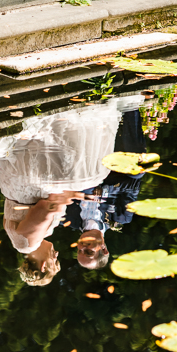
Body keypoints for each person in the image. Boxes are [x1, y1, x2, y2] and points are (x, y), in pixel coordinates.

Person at [0, 101, 124, 285]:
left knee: (92, 175)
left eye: (55, 262)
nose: (56, 255)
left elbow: (46, 207)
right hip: (16, 184)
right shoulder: (21, 242)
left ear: (43, 266)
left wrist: (70, 196)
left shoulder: (28, 244)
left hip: (29, 183)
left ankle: (75, 109)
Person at [64, 107, 148, 270]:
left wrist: (80, 194)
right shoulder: (121, 218)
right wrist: (106, 191)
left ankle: (85, 115)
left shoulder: (68, 219)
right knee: (138, 170)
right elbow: (133, 187)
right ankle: (131, 108)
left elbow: (57, 193)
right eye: (88, 252)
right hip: (114, 173)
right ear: (104, 249)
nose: (82, 247)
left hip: (83, 174)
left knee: (86, 187)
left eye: (79, 251)